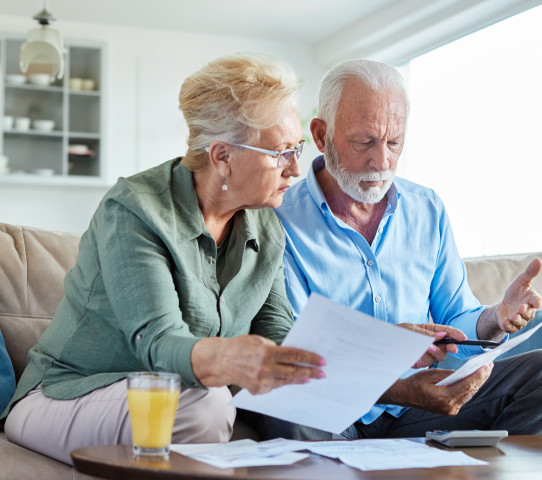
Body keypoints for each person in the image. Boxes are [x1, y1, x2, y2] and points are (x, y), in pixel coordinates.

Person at [1, 53, 327, 464]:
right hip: (63, 395)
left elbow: (279, 331)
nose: (296, 168)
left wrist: (363, 356)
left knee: (274, 406)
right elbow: (156, 342)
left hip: (171, 398)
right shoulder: (136, 209)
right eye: (281, 152)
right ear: (222, 156)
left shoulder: (266, 227)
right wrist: (230, 358)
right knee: (204, 405)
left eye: (297, 148)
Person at [245, 58, 542, 440]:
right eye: (364, 142)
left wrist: (495, 318)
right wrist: (388, 357)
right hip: (334, 411)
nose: (382, 160)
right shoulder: (278, 218)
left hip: (421, 406)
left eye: (394, 142)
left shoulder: (427, 208)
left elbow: (456, 318)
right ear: (321, 136)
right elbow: (298, 352)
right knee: (286, 404)